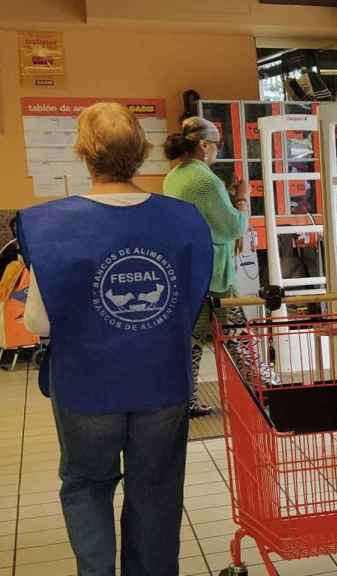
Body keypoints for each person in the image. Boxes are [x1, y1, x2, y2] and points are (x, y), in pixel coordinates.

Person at [16, 102, 213, 576]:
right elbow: (190, 301)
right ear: (141, 153)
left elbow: (38, 323)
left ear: (84, 153)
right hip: (163, 384)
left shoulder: (51, 226)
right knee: (157, 488)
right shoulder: (184, 220)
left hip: (88, 387)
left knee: (87, 483)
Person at [163, 117, 249, 417]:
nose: (217, 151)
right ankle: (261, 391)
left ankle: (186, 400)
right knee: (238, 333)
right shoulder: (204, 179)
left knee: (193, 340)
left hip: (190, 271)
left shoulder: (174, 176)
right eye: (216, 145)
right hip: (214, 274)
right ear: (202, 145)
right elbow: (232, 227)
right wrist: (241, 198)